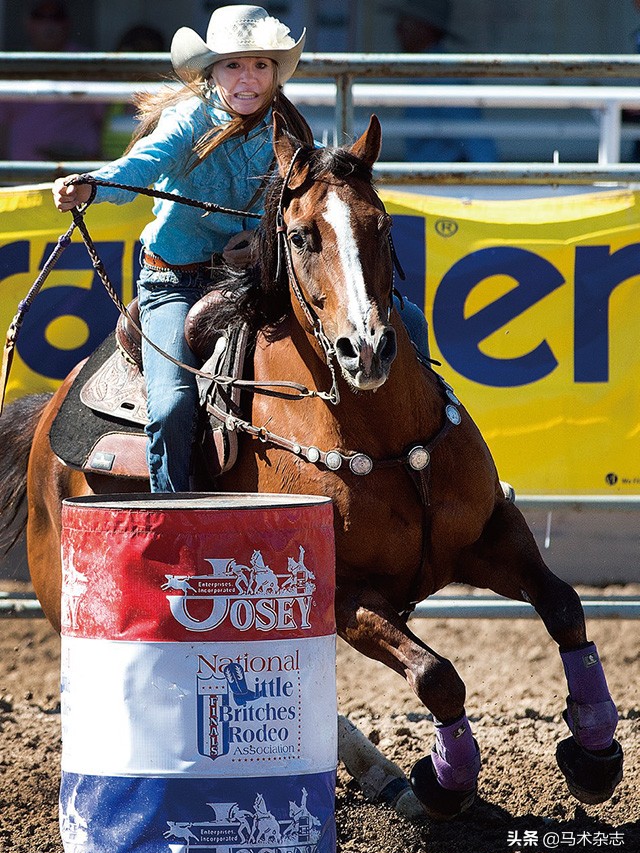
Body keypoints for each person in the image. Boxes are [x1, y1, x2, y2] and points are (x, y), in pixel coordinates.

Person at [53, 5, 431, 494]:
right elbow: (139, 169)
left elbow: (298, 215)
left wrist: (261, 243)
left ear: (275, 74)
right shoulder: (187, 122)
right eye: (233, 65)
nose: (246, 78)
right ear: (212, 71)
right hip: (176, 281)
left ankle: (425, 466)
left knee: (412, 323)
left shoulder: (291, 132)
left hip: (258, 278)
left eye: (260, 66)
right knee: (171, 406)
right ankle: (174, 514)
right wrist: (91, 186)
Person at [388, 0, 499, 162]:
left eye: (406, 21)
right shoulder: (426, 69)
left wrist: (491, 179)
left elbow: (473, 134)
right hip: (427, 178)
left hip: (440, 179)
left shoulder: (442, 74)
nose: (398, 30)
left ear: (425, 28)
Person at [0, 1, 105, 160]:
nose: (49, 24)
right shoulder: (15, 64)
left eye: (56, 17)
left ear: (67, 23)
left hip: (76, 172)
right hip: (23, 173)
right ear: (28, 23)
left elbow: (103, 121)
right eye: (40, 17)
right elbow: (3, 125)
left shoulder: (87, 63)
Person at [101, 25, 167, 160]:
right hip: (108, 174)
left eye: (144, 53)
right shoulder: (108, 96)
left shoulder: (166, 98)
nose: (135, 67)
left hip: (148, 175)